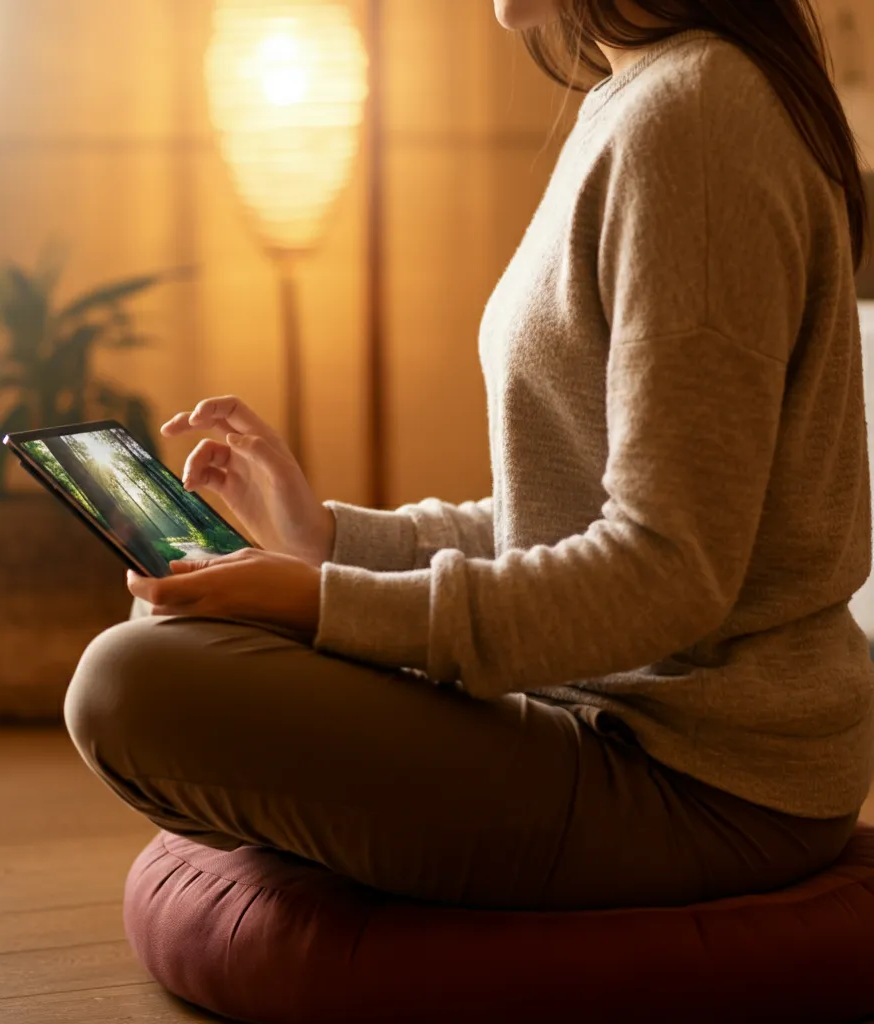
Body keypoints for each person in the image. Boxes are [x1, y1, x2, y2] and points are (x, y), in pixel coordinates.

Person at [63, 0, 874, 910]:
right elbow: (565, 516)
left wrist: (325, 606)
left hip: (702, 779)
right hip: (599, 720)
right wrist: (327, 539)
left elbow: (667, 570)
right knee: (174, 638)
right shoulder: (638, 97)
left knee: (130, 686)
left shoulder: (700, 115)